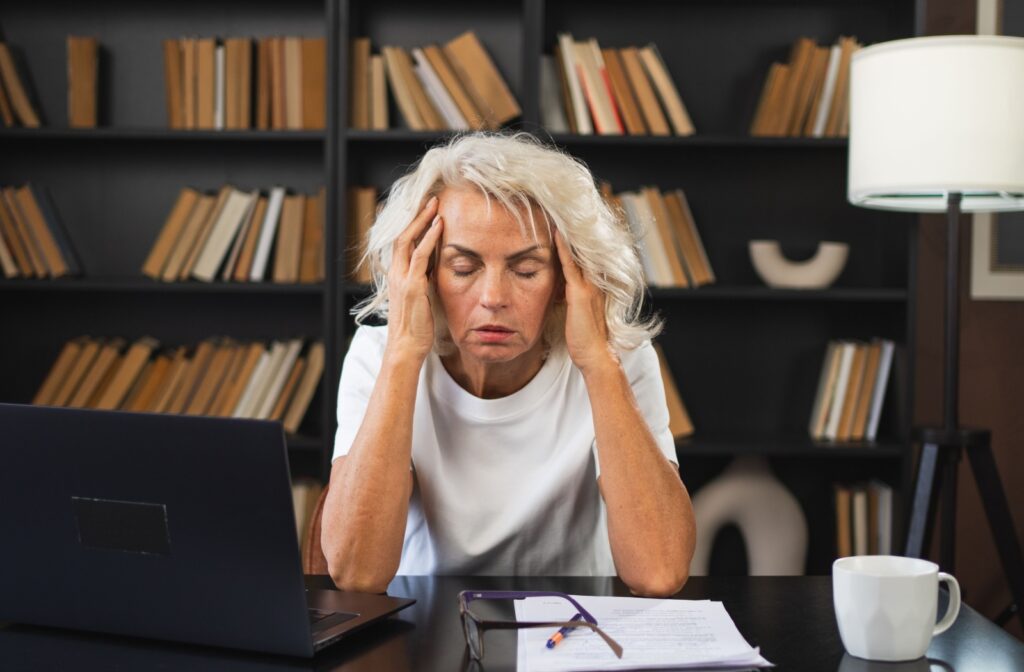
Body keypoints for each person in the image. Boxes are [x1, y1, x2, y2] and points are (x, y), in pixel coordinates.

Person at [321, 131, 695, 597]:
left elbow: (659, 572)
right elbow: (356, 573)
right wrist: (402, 355)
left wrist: (598, 363)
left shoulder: (621, 361)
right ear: (422, 273)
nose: (493, 298)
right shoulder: (378, 355)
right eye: (462, 268)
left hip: (572, 634)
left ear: (566, 278)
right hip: (426, 630)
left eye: (525, 270)